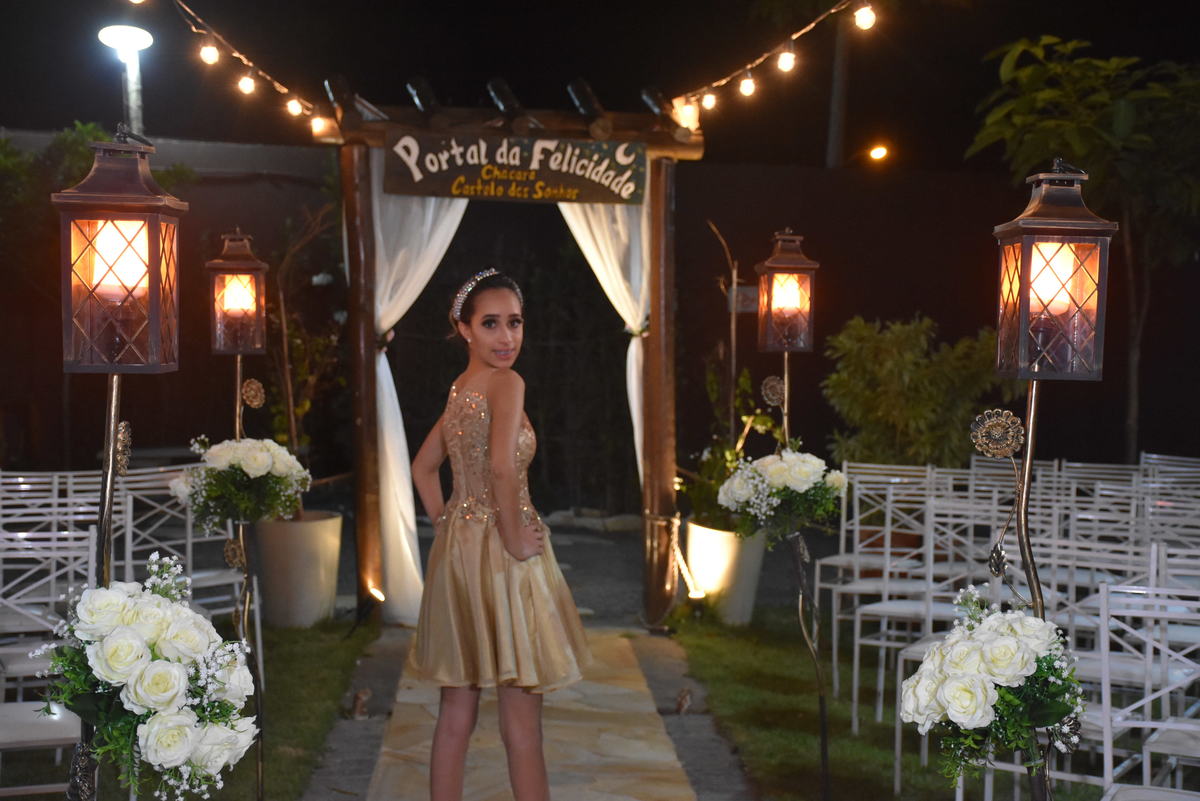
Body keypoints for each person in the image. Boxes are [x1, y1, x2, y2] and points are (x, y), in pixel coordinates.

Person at [405, 268, 591, 801]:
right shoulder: (507, 383)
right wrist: (511, 538)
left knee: (455, 715)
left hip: (459, 554)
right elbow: (503, 468)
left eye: (515, 322)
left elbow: (423, 468)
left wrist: (449, 522)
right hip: (505, 558)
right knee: (522, 727)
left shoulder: (460, 389)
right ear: (464, 329)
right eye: (490, 324)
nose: (507, 337)